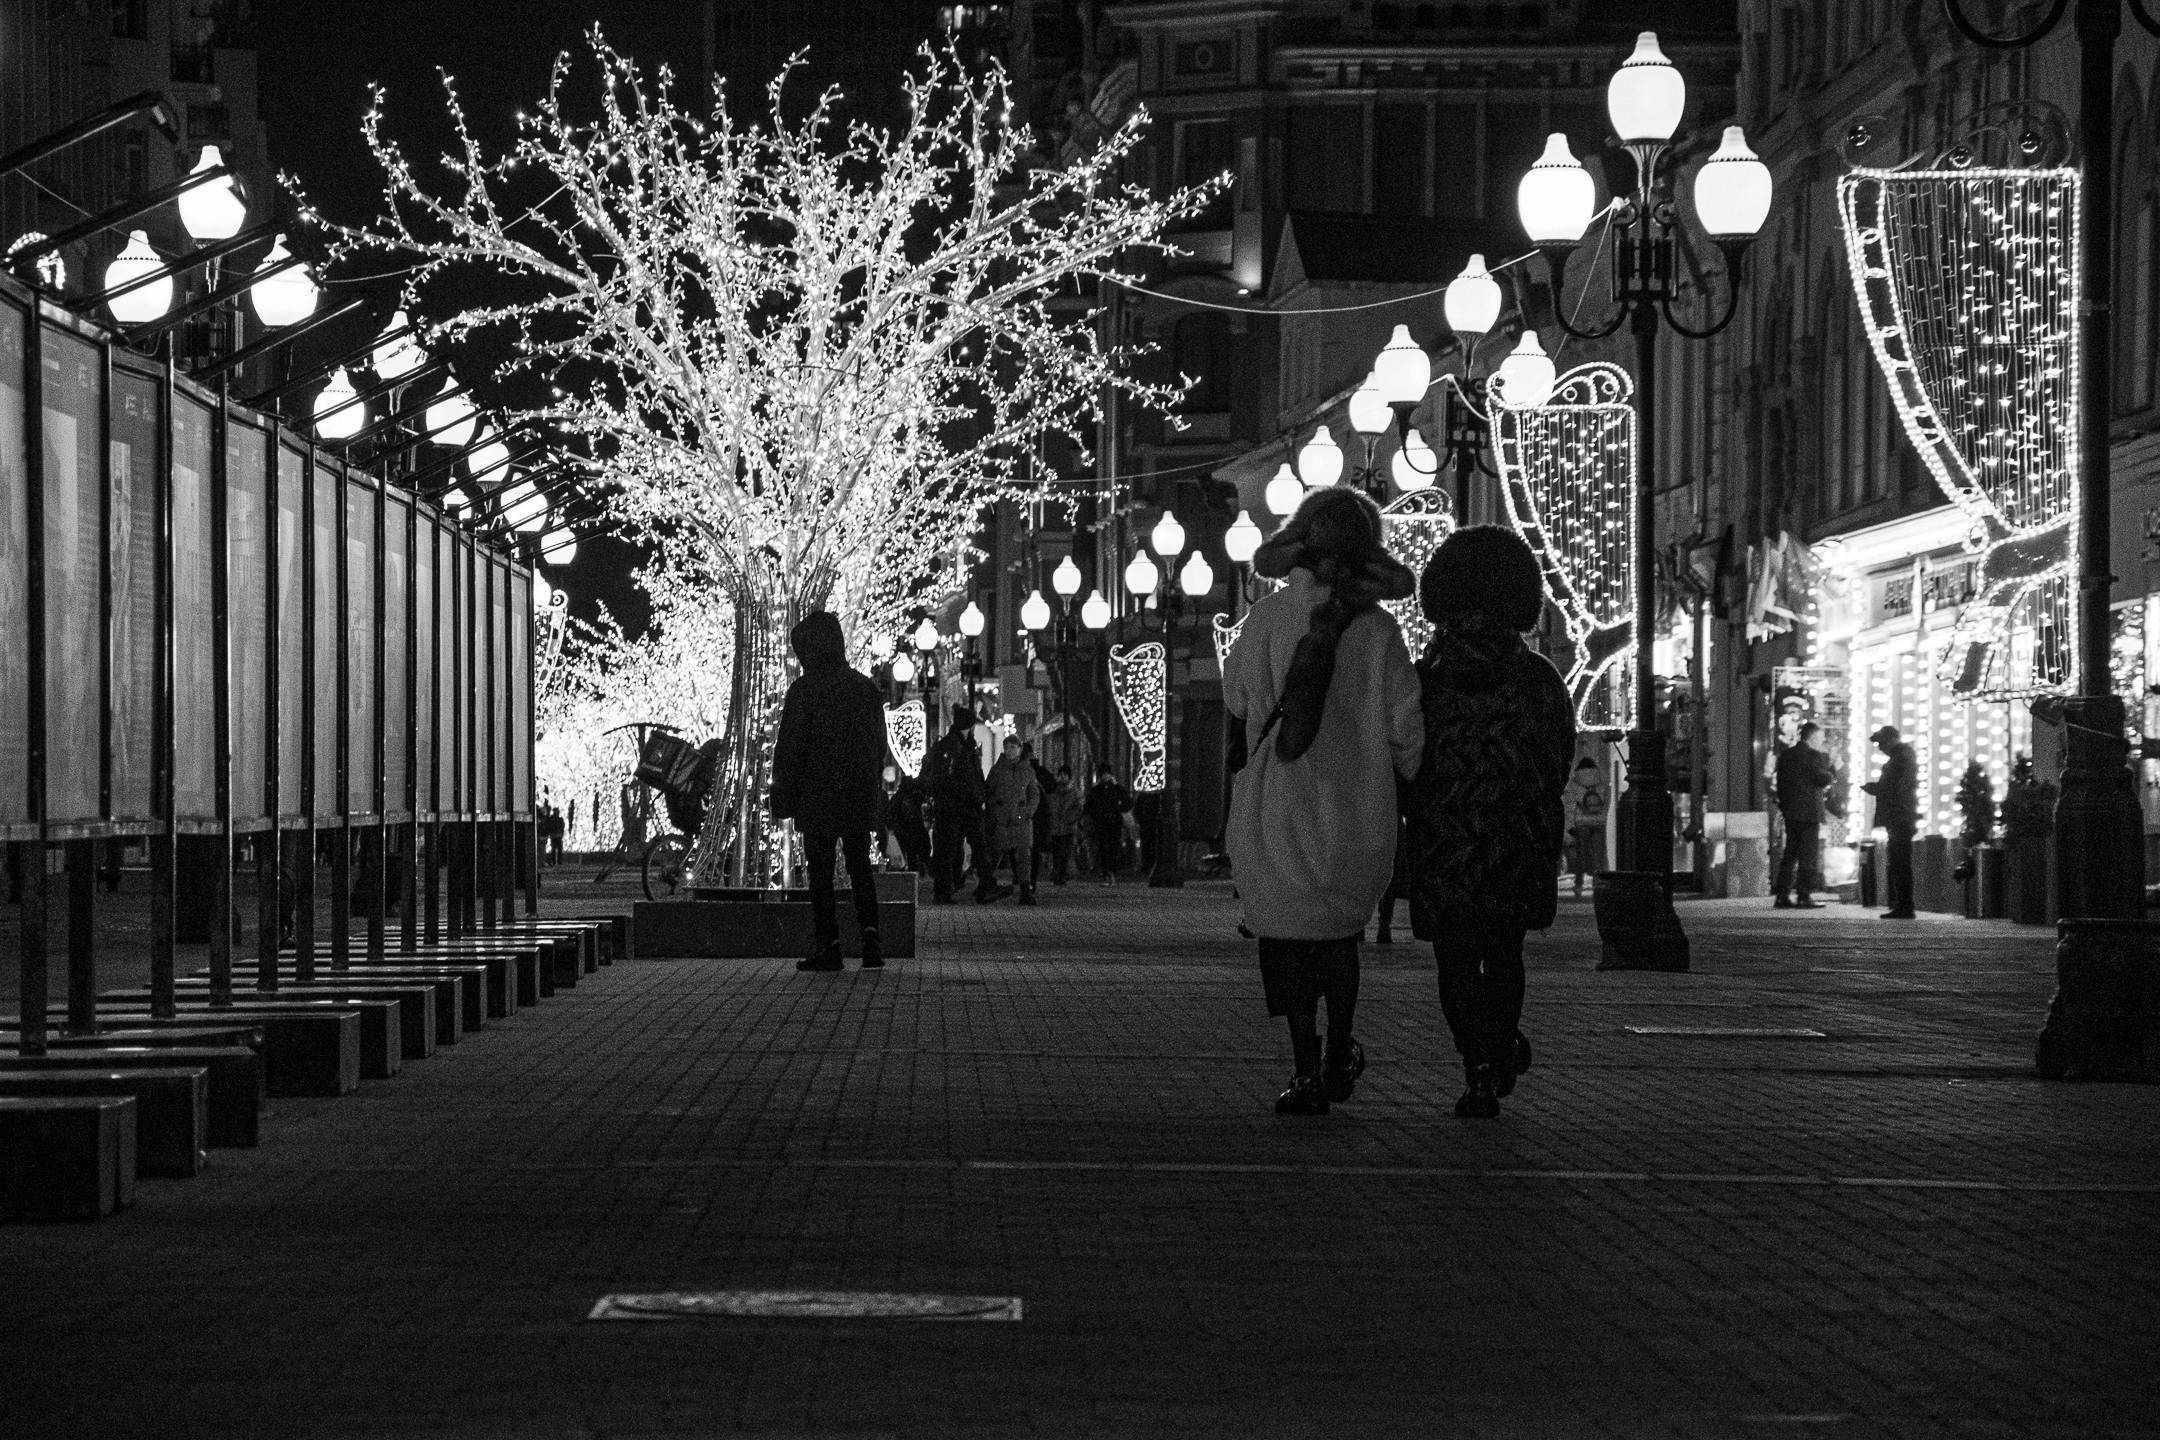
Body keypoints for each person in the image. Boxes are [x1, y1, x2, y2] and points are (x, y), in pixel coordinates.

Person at [1224, 487, 1422, 1117]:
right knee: (1340, 937)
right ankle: (1340, 1051)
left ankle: (1305, 1067)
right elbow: (1406, 727)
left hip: (1280, 801)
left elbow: (1235, 696)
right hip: (1358, 807)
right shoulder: (1380, 629)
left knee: (1287, 937)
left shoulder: (1269, 619)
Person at [1400, 525, 1574, 1120]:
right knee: (1504, 952)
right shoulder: (1540, 679)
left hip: (1444, 842)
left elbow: (1405, 761)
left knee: (1453, 958)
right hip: (1515, 841)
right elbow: (1557, 761)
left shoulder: (1424, 683)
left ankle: (1476, 1068)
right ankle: (1500, 1045)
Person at [769, 610, 889, 971]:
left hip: (817, 794)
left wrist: (784, 796)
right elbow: (878, 745)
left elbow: (790, 747)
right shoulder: (865, 688)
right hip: (855, 793)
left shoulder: (805, 690)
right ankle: (871, 941)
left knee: (819, 873)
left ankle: (830, 945)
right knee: (859, 868)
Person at [928, 704, 994, 904]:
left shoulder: (965, 745)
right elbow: (949, 778)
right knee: (949, 849)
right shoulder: (953, 746)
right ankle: (945, 891)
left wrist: (979, 793)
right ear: (968, 726)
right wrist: (972, 794)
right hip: (954, 806)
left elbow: (972, 775)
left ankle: (985, 884)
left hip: (965, 805)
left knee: (976, 845)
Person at [1773, 721, 1837, 910]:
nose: (1822, 741)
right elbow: (1822, 779)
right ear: (1812, 737)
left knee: (1790, 854)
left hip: (1791, 811)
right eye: (1820, 738)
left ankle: (1782, 895)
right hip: (1809, 812)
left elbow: (1781, 784)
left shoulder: (1786, 755)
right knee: (1808, 856)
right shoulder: (1814, 755)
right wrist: (1832, 768)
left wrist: (1785, 808)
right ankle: (1804, 895)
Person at [1863, 724, 1918, 919]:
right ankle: (1902, 905)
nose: (1879, 747)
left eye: (1880, 743)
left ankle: (1904, 906)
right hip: (1900, 816)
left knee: (1900, 861)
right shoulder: (1902, 757)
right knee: (1898, 861)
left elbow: (1896, 788)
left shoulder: (1901, 758)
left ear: (1890, 740)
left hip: (1900, 817)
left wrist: (1877, 789)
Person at [983, 735, 1041, 905]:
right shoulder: (997, 770)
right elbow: (989, 791)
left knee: (1023, 856)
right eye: (1006, 747)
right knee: (995, 854)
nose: (1009, 751)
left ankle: (1025, 891)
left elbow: (1034, 794)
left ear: (1020, 749)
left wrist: (1029, 811)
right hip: (1002, 818)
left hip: (1022, 818)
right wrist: (995, 810)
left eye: (1013, 747)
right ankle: (986, 885)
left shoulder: (1028, 770)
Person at [1563, 758, 1607, 897]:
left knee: (1581, 855)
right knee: (1597, 856)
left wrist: (1569, 826)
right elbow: (1605, 806)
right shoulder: (1602, 784)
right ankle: (1597, 884)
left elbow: (1570, 808)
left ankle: (1579, 884)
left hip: (1581, 823)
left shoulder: (1573, 785)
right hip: (1598, 822)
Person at [1083, 764, 1130, 883]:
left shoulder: (1116, 788)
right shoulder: (1096, 790)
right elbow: (1088, 805)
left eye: (1107, 774)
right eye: (1103, 774)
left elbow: (1128, 801)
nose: (1105, 776)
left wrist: (1118, 809)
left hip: (1114, 822)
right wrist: (1097, 815)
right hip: (1102, 823)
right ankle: (1106, 873)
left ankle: (1112, 872)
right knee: (1103, 848)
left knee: (1113, 848)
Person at [1023, 742, 1057, 890]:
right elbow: (1052, 786)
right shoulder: (1039, 771)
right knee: (1032, 849)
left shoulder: (1029, 771)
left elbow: (1051, 786)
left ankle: (1027, 880)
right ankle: (1030, 881)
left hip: (1033, 815)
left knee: (1027, 848)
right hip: (1037, 816)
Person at [888, 772, 932, 878]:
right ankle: (921, 870)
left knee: (912, 852)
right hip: (912, 827)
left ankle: (916, 872)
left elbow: (892, 813)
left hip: (906, 829)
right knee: (920, 850)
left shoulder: (900, 797)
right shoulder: (913, 796)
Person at [1045, 766, 1082, 885]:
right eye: (1060, 775)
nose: (1062, 777)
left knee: (1065, 853)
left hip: (1068, 828)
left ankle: (1062, 875)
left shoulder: (1075, 792)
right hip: (1055, 827)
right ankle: (1057, 875)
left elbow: (1079, 808)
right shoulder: (1054, 792)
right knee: (1056, 853)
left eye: (1065, 775)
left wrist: (1071, 819)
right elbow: (1049, 806)